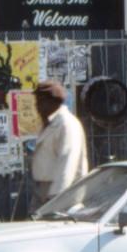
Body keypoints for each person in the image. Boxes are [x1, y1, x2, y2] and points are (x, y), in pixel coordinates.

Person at [29, 80, 89, 211]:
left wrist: (56, 198)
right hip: (43, 190)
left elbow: (67, 162)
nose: (37, 106)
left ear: (52, 102)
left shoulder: (66, 124)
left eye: (40, 102)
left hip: (60, 192)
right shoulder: (50, 123)